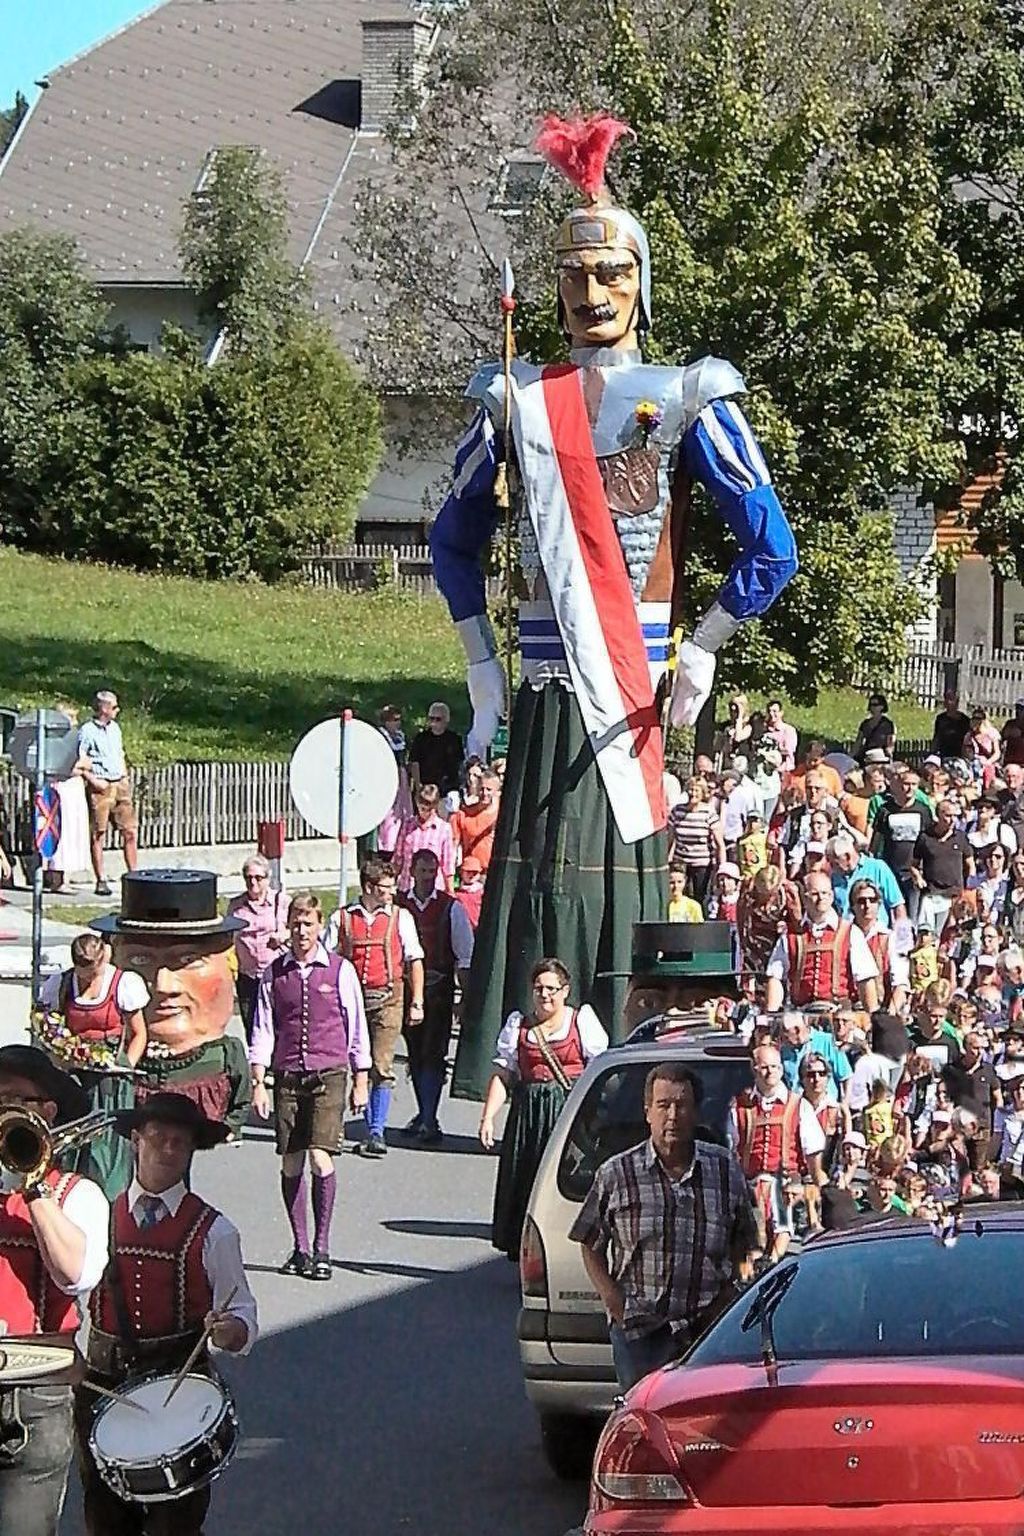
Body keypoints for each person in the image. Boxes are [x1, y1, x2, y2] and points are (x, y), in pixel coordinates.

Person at [431, 114, 797, 1099]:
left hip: (630, 694)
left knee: (619, 905)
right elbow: (448, 539)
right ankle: (526, 1087)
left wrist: (709, 644)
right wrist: (479, 666)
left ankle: (631, 1077)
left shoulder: (687, 397)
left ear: (640, 279)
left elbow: (773, 544)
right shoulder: (513, 399)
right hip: (549, 693)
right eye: (574, 275)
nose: (591, 293)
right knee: (545, 897)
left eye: (611, 273)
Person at [75, 1093, 257, 1536]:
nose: (169, 1151)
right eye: (159, 1138)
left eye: (181, 1142)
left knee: (175, 1524)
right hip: (104, 1383)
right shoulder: (97, 1214)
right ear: (136, 1140)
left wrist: (229, 1330)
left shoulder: (216, 1230)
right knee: (105, 1520)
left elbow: (243, 1317)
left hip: (180, 1387)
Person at [570, 1061, 758, 1390]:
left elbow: (745, 1238)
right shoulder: (617, 1174)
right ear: (647, 1112)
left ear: (696, 1112)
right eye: (663, 1105)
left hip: (706, 1334)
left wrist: (731, 1293)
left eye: (682, 1105)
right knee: (644, 1427)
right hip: (641, 1333)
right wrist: (613, 1298)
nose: (672, 1116)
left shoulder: (724, 1169)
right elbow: (589, 1242)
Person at [0, 1045, 109, 1536]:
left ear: (46, 1111)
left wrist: (33, 1187)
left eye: (16, 1099)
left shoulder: (76, 1194)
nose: (3, 1109)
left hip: (36, 1394)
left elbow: (76, 1275)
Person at [250, 893, 370, 1279]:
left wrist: (361, 1077)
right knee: (291, 1158)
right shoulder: (275, 973)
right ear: (288, 925)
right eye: (296, 924)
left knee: (320, 1155)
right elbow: (263, 1028)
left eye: (309, 924)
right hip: (287, 1074)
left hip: (328, 1072)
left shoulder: (339, 970)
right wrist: (258, 1080)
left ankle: (322, 1247)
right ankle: (299, 1246)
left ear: (321, 927)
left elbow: (356, 1026)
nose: (302, 931)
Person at [91, 871, 252, 1139]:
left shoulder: (225, 1056)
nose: (164, 986)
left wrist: (231, 1126)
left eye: (188, 960)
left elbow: (240, 1098)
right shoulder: (106, 1051)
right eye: (141, 961)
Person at [480, 957, 608, 1260]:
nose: (545, 994)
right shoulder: (518, 1025)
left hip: (569, 1113)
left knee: (569, 1182)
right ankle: (528, 1253)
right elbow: (503, 1074)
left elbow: (598, 1071)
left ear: (565, 991)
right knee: (525, 1181)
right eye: (539, 988)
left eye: (552, 988)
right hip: (528, 1115)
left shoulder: (582, 1021)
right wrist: (488, 1117)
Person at [35, 931, 148, 1197]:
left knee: (108, 1147)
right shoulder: (62, 984)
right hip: (73, 1075)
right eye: (83, 971)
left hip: (111, 1077)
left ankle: (112, 1200)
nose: (88, 978)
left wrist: (125, 1066)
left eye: (93, 971)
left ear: (102, 960)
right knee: (72, 1142)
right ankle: (69, 1194)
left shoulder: (123, 984)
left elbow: (139, 1033)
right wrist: (59, 1054)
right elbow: (48, 1025)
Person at [325, 857, 425, 1158]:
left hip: (389, 998)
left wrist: (417, 1001)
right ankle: (334, 1129)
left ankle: (376, 1131)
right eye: (384, 888)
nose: (390, 893)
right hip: (348, 1002)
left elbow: (413, 959)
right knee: (343, 1065)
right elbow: (327, 961)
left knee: (381, 1065)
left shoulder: (400, 917)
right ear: (368, 887)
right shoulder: (341, 918)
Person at [399, 848, 474, 1143]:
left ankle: (430, 1118)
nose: (428, 877)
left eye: (433, 871)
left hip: (438, 990)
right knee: (415, 1054)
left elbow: (465, 956)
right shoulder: (398, 906)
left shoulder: (450, 908)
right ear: (412, 872)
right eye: (423, 871)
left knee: (434, 1054)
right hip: (404, 991)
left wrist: (464, 998)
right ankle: (424, 1112)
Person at [728, 1041, 826, 1265]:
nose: (769, 1072)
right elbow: (730, 1146)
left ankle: (772, 1264)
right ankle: (753, 1268)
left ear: (781, 1069)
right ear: (754, 1069)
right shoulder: (740, 1106)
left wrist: (812, 1185)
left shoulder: (798, 1105)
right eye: (764, 1067)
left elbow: (813, 1152)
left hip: (785, 1181)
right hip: (750, 1181)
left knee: (781, 1220)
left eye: (774, 1066)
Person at [764, 871, 879, 1012]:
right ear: (805, 899)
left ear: (831, 896)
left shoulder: (850, 932)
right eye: (815, 894)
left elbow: (865, 979)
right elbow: (775, 976)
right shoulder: (791, 936)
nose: (821, 898)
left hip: (840, 1015)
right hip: (801, 1016)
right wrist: (771, 1014)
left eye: (825, 893)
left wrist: (873, 1019)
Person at [77, 690, 138, 897]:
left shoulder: (116, 729)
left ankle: (134, 875)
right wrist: (93, 780)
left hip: (119, 782)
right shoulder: (86, 731)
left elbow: (120, 753)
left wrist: (125, 776)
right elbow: (79, 760)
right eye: (114, 707)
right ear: (104, 708)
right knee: (98, 833)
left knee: (129, 830)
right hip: (101, 786)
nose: (117, 710)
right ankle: (100, 878)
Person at [226, 854, 289, 1044]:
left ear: (267, 879)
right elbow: (229, 938)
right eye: (248, 878)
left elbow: (296, 930)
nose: (253, 882)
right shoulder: (236, 906)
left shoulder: (281, 901)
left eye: (258, 878)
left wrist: (283, 936)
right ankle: (258, 1068)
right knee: (251, 1024)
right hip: (248, 976)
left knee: (279, 1022)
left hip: (275, 973)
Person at [872, 763, 935, 923]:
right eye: (906, 784)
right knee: (891, 915)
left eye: (914, 784)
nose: (909, 788)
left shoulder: (923, 810)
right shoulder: (885, 810)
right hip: (890, 869)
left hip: (914, 873)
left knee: (913, 916)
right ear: (899, 785)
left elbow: (929, 840)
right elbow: (876, 839)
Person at [42, 700, 91, 891]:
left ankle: (67, 877)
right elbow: (61, 767)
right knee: (61, 830)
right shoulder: (53, 741)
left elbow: (87, 763)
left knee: (74, 830)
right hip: (61, 789)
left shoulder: (74, 740)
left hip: (74, 789)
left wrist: (76, 767)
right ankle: (56, 878)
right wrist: (75, 767)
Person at [911, 795, 967, 935]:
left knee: (950, 934)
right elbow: (913, 864)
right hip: (932, 893)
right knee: (929, 933)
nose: (952, 820)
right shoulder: (925, 838)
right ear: (938, 815)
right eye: (948, 816)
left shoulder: (960, 837)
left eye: (955, 816)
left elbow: (969, 863)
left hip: (954, 894)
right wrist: (918, 877)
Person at [667, 775, 724, 904]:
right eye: (691, 790)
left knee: (699, 898)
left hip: (702, 864)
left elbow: (719, 844)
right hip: (681, 862)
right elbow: (670, 839)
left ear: (702, 793)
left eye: (697, 790)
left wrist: (721, 867)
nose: (693, 793)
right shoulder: (677, 811)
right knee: (680, 898)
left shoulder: (709, 812)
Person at [392, 783, 457, 895]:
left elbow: (447, 864)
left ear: (435, 807)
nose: (424, 813)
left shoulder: (444, 829)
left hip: (433, 889)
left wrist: (450, 890)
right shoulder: (407, 825)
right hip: (407, 886)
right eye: (421, 808)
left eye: (429, 810)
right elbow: (398, 858)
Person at [407, 702, 464, 801]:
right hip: (426, 788)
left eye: (438, 719)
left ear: (446, 720)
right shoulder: (421, 738)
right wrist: (418, 786)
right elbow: (414, 763)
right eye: (431, 718)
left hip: (448, 788)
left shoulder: (454, 739)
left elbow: (460, 763)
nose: (434, 722)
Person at [449, 765, 500, 873]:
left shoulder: (498, 812)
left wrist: (460, 818)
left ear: (497, 792)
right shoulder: (467, 811)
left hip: (490, 870)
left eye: (489, 790)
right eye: (482, 789)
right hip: (469, 869)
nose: (485, 793)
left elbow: (473, 829)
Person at [853, 693, 896, 764]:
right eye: (871, 705)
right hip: (866, 754)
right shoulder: (865, 723)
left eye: (875, 705)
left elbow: (890, 743)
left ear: (882, 706)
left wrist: (889, 754)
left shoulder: (887, 724)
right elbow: (858, 742)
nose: (872, 708)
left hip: (881, 755)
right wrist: (852, 755)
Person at [932, 689, 971, 760]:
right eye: (946, 699)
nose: (947, 702)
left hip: (960, 755)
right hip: (943, 754)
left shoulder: (965, 720)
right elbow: (937, 737)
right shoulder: (940, 718)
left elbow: (968, 739)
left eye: (951, 699)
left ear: (957, 702)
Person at [764, 699, 798, 774]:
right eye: (769, 711)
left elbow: (788, 750)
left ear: (781, 713)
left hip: (783, 770)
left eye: (774, 711)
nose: (771, 714)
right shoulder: (764, 730)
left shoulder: (789, 730)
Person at [454, 854, 486, 929]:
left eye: (475, 873)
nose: (471, 875)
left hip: (479, 928)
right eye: (468, 872)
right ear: (461, 872)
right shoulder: (456, 894)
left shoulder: (482, 893)